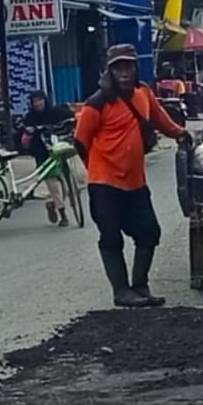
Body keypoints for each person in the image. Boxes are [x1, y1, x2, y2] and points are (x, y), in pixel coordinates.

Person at [74, 44, 189, 306]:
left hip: (136, 182)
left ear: (135, 68)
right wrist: (96, 169)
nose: (124, 72)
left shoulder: (144, 93)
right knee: (111, 236)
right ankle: (121, 291)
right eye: (118, 68)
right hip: (105, 184)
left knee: (149, 233)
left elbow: (160, 120)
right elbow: (80, 141)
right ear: (109, 71)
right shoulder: (97, 104)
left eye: (128, 66)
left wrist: (180, 133)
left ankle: (140, 285)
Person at [20, 90, 74, 226]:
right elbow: (24, 135)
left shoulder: (55, 112)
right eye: (35, 102)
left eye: (40, 100)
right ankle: (63, 215)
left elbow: (70, 116)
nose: (38, 103)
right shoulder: (30, 118)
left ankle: (52, 204)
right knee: (53, 186)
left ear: (45, 100)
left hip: (58, 150)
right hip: (41, 154)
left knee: (65, 187)